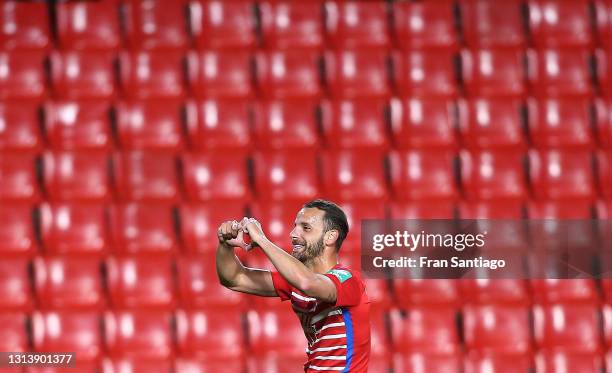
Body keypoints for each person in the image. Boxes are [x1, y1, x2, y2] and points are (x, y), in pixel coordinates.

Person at [216, 199, 371, 372]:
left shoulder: (348, 280)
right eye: (295, 226)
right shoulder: (295, 280)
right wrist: (225, 245)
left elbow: (308, 283)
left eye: (306, 228)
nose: (293, 234)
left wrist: (261, 239)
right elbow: (234, 278)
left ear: (330, 237)